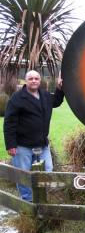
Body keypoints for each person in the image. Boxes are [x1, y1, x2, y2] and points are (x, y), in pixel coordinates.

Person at [3, 70, 64, 201]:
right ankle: (28, 202)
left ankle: (42, 199)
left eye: (36, 78)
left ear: (39, 81)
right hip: (22, 146)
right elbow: (9, 122)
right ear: (26, 81)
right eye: (30, 78)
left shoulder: (45, 95)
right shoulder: (17, 98)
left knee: (48, 171)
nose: (34, 81)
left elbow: (56, 102)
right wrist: (11, 145)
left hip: (42, 144)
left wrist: (60, 88)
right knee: (23, 176)